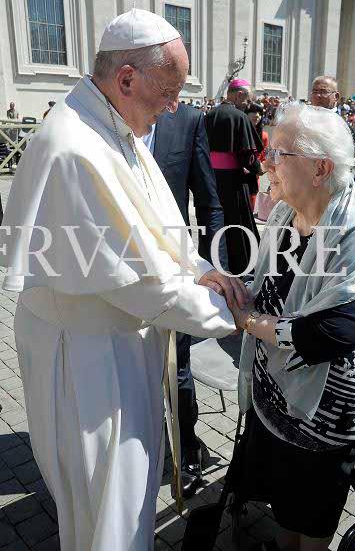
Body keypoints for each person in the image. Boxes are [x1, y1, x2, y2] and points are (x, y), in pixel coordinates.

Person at [0, 8, 248, 551]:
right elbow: (143, 286)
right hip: (89, 363)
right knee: (107, 510)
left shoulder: (116, 126)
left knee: (128, 495)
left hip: (121, 347)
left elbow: (159, 224)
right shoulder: (75, 148)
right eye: (169, 90)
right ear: (128, 78)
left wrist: (204, 271)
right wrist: (236, 316)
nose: (175, 105)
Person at [229, 103, 355, 551]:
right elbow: (266, 286)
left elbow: (332, 334)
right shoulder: (286, 215)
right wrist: (230, 289)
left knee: (312, 516)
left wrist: (249, 322)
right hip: (275, 392)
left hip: (327, 414)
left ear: (320, 169)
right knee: (284, 504)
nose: (266, 163)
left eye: (279, 154)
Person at [142, 101, 228, 497]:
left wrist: (216, 270)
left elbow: (209, 202)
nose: (174, 98)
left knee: (177, 368)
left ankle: (187, 446)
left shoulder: (187, 120)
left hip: (174, 267)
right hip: (116, 271)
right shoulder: (101, 114)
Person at [205, 78, 264, 275]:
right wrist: (258, 169)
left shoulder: (210, 114)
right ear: (239, 95)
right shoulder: (239, 116)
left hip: (213, 180)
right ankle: (240, 265)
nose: (248, 105)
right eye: (247, 100)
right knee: (237, 223)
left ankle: (214, 261)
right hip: (233, 182)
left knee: (216, 221)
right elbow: (247, 155)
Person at [311, 75, 355, 148]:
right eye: (315, 91)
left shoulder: (344, 127)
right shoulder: (303, 120)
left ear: (336, 96)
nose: (318, 95)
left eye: (323, 92)